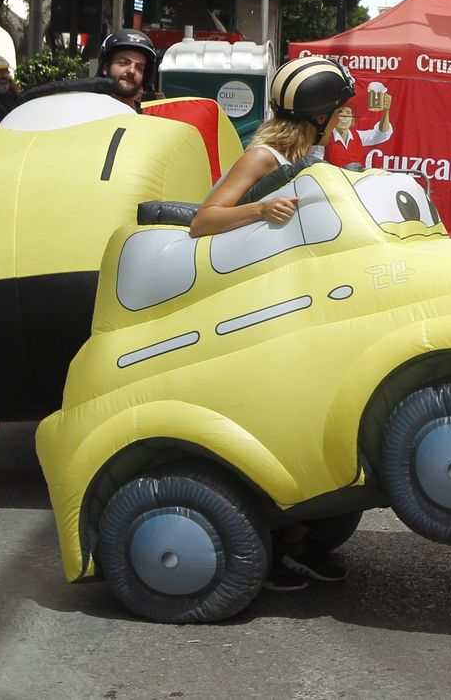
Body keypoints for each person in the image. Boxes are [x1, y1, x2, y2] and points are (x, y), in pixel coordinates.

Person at [187, 56, 358, 590]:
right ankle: (278, 543)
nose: (345, 120)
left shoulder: (309, 156)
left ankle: (302, 535)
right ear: (319, 114)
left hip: (295, 299)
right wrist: (261, 211)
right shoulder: (262, 156)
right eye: (339, 112)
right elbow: (203, 220)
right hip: (250, 306)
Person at [323, 98, 393, 169]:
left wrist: (386, 112)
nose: (345, 117)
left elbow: (381, 134)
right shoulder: (324, 137)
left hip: (356, 178)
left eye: (348, 113)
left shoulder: (359, 136)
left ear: (352, 119)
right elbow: (317, 162)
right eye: (341, 112)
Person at [97, 29, 158, 109]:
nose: (132, 71)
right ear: (105, 67)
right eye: (124, 63)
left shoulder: (149, 120)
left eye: (139, 68)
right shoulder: (84, 111)